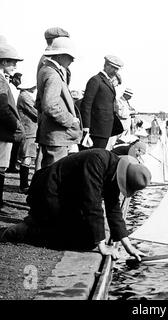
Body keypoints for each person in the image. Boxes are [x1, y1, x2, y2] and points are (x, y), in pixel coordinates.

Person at [0, 149, 151, 261]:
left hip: (66, 197)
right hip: (48, 193)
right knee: (83, 241)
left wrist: (128, 246)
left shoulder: (113, 168)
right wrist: (103, 247)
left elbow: (113, 208)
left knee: (87, 239)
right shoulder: (97, 161)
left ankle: (38, 223)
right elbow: (92, 205)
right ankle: (22, 231)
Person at [36, 37, 82, 168]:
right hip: (57, 134)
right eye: (70, 56)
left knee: (48, 174)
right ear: (61, 55)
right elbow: (50, 106)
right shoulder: (53, 75)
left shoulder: (45, 70)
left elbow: (40, 102)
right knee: (53, 175)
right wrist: (70, 120)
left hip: (51, 132)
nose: (72, 60)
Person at [80, 55, 124, 149]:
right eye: (114, 68)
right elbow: (86, 105)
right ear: (106, 65)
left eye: (117, 69)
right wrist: (86, 126)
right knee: (92, 157)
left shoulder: (107, 82)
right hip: (96, 130)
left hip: (104, 130)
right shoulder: (96, 80)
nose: (116, 71)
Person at [0, 42, 24, 208]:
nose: (15, 65)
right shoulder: (1, 81)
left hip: (4, 130)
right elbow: (2, 108)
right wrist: (16, 124)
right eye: (12, 62)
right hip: (3, 131)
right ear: (3, 62)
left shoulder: (3, 80)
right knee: (0, 168)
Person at [16, 75, 38, 193]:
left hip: (29, 130)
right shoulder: (25, 97)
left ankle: (24, 185)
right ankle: (23, 185)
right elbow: (36, 113)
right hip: (28, 131)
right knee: (27, 158)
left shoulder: (24, 95)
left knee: (28, 157)